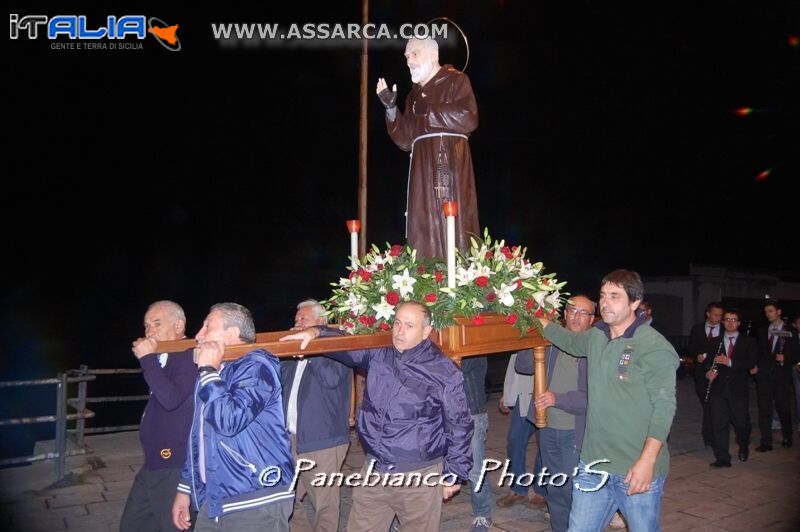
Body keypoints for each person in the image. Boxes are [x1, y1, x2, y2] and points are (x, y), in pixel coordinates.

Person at [281, 301, 473, 532]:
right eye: (397, 323)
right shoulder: (379, 355)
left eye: (409, 326)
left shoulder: (443, 371)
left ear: (426, 332)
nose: (400, 331)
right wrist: (318, 331)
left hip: (418, 475)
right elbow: (346, 345)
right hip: (375, 469)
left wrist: (454, 473)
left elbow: (459, 425)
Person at [535, 270, 679, 532]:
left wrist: (647, 461)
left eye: (615, 296)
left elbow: (664, 407)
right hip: (593, 466)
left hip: (634, 469)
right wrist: (533, 316)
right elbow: (567, 339)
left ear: (635, 302)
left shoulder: (653, 345)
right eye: (602, 296)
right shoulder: (596, 336)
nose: (604, 303)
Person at [172, 303, 294, 531]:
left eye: (207, 326)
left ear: (232, 334)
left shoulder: (257, 366)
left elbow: (229, 421)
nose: (198, 334)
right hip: (215, 497)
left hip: (255, 498)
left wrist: (207, 371)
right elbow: (199, 435)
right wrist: (186, 487)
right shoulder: (213, 374)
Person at [376, 37, 479, 258]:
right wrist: (392, 110)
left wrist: (429, 110)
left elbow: (469, 118)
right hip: (421, 166)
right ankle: (424, 277)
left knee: (451, 219)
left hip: (449, 160)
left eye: (415, 54)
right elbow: (405, 141)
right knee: (423, 222)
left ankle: (458, 273)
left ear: (434, 55)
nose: (409, 61)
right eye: (406, 56)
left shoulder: (456, 80)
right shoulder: (412, 96)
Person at [516, 295, 592, 532]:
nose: (576, 316)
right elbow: (523, 365)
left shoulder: (595, 348)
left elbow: (594, 398)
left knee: (573, 489)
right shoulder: (553, 341)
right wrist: (534, 333)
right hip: (547, 427)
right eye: (572, 310)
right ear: (564, 314)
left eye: (583, 312)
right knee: (555, 488)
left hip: (576, 431)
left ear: (592, 319)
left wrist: (558, 399)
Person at [120, 301, 196, 532]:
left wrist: (146, 358)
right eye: (146, 325)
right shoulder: (164, 356)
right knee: (133, 525)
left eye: (157, 322)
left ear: (179, 325)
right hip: (153, 462)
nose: (149, 330)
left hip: (174, 463)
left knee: (172, 526)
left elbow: (171, 399)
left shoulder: (189, 354)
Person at [280, 300, 352, 532]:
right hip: (290, 438)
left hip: (323, 440)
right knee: (284, 497)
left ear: (321, 322)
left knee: (324, 504)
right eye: (296, 320)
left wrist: (309, 351)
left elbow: (331, 379)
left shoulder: (336, 347)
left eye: (303, 319)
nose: (297, 324)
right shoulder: (293, 354)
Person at [703, 310, 757, 467]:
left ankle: (743, 445)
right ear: (723, 322)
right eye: (727, 320)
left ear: (739, 323)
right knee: (718, 423)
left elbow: (751, 363)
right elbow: (707, 363)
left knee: (741, 423)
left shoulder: (748, 341)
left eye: (734, 320)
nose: (730, 322)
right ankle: (722, 458)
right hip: (718, 389)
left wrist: (730, 362)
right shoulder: (715, 341)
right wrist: (708, 372)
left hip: (738, 389)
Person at [496, 353, 547, 510]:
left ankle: (541, 490)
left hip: (547, 391)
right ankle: (518, 488)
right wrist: (508, 393)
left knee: (544, 444)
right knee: (515, 439)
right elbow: (515, 361)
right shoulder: (524, 328)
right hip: (525, 391)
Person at [755, 301, 797, 451]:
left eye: (771, 311)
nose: (768, 314)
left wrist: (786, 358)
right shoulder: (762, 330)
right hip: (765, 375)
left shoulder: (790, 330)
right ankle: (766, 442)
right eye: (766, 311)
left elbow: (797, 352)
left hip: (781, 375)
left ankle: (787, 436)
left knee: (783, 407)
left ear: (778, 312)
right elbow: (759, 351)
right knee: (764, 408)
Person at [461, 356, 493, 532]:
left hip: (472, 414)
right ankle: (412, 514)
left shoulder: (473, 349)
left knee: (475, 468)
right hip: (443, 413)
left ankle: (483, 514)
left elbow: (456, 367)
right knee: (432, 467)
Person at [687, 301, 724, 447]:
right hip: (701, 372)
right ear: (708, 314)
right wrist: (696, 356)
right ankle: (710, 433)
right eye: (716, 314)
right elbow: (691, 346)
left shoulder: (724, 330)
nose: (719, 318)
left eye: (721, 315)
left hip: (718, 372)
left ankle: (711, 435)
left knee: (714, 404)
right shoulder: (697, 329)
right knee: (706, 402)